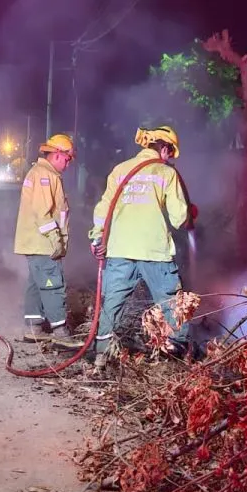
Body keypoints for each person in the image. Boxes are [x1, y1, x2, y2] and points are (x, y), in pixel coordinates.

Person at [88, 126, 197, 369]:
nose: (170, 158)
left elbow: (103, 209)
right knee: (171, 303)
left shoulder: (120, 170)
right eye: (171, 153)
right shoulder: (166, 173)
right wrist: (191, 213)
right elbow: (180, 218)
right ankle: (177, 354)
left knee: (112, 304)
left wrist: (97, 239)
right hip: (153, 251)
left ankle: (101, 356)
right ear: (165, 148)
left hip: (119, 249)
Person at [13, 133, 82, 348]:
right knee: (53, 284)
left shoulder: (41, 173)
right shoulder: (45, 175)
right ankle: (60, 332)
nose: (69, 164)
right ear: (58, 155)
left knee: (36, 283)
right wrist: (56, 241)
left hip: (34, 242)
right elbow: (43, 213)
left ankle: (33, 328)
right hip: (43, 243)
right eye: (68, 159)